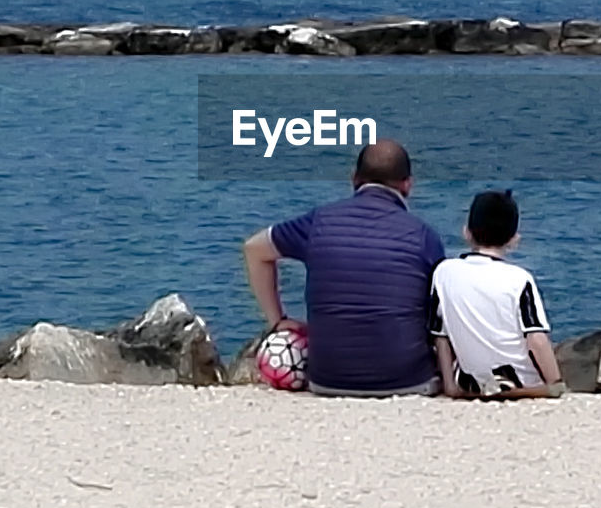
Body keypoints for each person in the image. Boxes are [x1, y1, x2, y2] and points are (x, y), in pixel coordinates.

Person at [242, 139, 445, 396]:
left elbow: (254, 250)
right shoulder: (423, 235)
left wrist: (278, 320)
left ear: (353, 178)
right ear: (408, 185)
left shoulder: (319, 222)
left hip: (327, 380)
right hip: (407, 381)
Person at [428, 190, 565, 399]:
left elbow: (440, 335)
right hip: (519, 381)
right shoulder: (519, 279)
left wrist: (450, 386)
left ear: (466, 232)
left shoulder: (444, 272)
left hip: (469, 382)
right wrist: (555, 382)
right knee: (552, 384)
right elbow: (536, 338)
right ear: (513, 239)